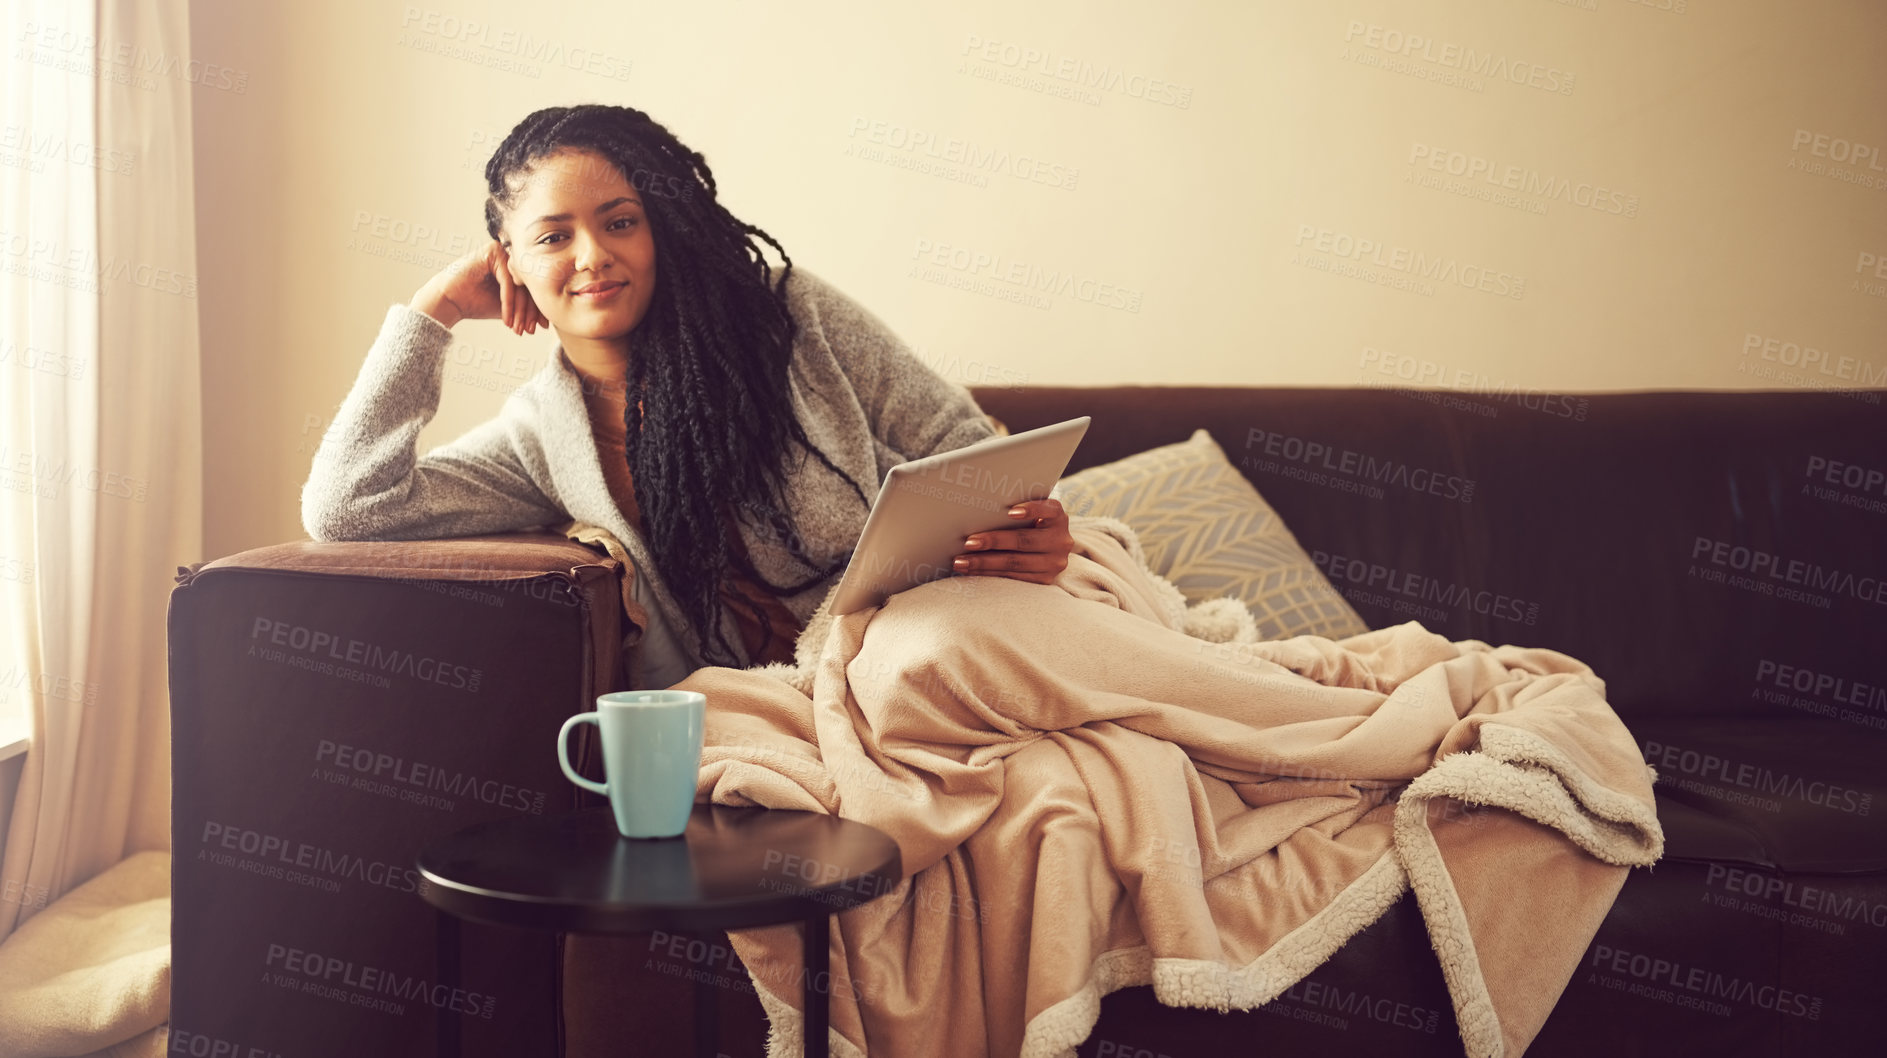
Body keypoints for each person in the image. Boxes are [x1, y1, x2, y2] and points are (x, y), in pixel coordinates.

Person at [301, 103, 1076, 687]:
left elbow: (971, 452)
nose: (593, 256)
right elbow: (348, 508)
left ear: (662, 228)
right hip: (780, 700)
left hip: (932, 637)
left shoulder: (787, 315)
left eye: (621, 222)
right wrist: (430, 312)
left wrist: (1029, 533)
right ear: (509, 264)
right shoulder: (539, 436)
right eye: (552, 236)